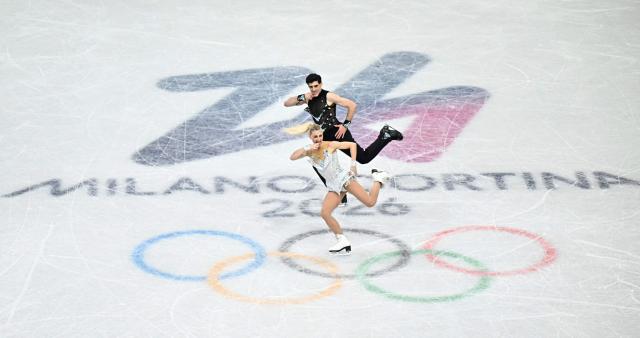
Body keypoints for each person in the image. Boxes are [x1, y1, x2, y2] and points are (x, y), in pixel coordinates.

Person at [283, 73, 403, 205]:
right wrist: (302, 97)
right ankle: (339, 194)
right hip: (323, 136)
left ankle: (385, 135)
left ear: (321, 84)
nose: (313, 89)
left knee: (363, 158)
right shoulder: (308, 98)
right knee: (317, 162)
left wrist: (345, 125)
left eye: (316, 86)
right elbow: (287, 103)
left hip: (337, 133)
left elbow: (352, 105)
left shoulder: (329, 96)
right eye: (310, 87)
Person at [289, 123, 390, 254]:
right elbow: (293, 157)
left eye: (320, 135)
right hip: (333, 186)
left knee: (370, 202)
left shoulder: (330, 145)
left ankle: (378, 178)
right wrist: (307, 148)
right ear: (310, 137)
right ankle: (342, 240)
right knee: (325, 213)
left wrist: (353, 165)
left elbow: (352, 145)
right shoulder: (309, 151)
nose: (319, 139)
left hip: (344, 180)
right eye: (315, 137)